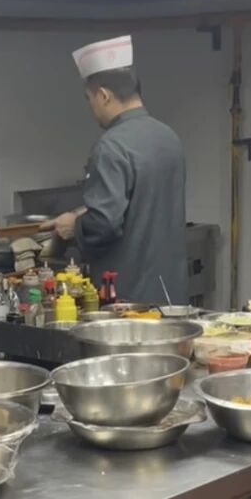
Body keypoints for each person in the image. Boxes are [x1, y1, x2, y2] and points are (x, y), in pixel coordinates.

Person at [43, 36, 188, 303]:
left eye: (90, 99)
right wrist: (80, 213)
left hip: (128, 298)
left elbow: (104, 225)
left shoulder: (111, 146)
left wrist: (75, 226)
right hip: (170, 293)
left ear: (104, 95)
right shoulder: (169, 137)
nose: (91, 107)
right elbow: (140, 204)